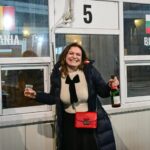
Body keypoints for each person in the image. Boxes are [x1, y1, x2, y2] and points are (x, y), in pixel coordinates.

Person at [24, 42, 119, 150]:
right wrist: (36, 94)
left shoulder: (90, 71)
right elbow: (53, 98)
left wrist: (111, 86)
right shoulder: (57, 75)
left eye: (78, 54)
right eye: (71, 53)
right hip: (68, 123)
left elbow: (103, 92)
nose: (74, 56)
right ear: (65, 55)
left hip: (88, 121)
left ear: (82, 58)